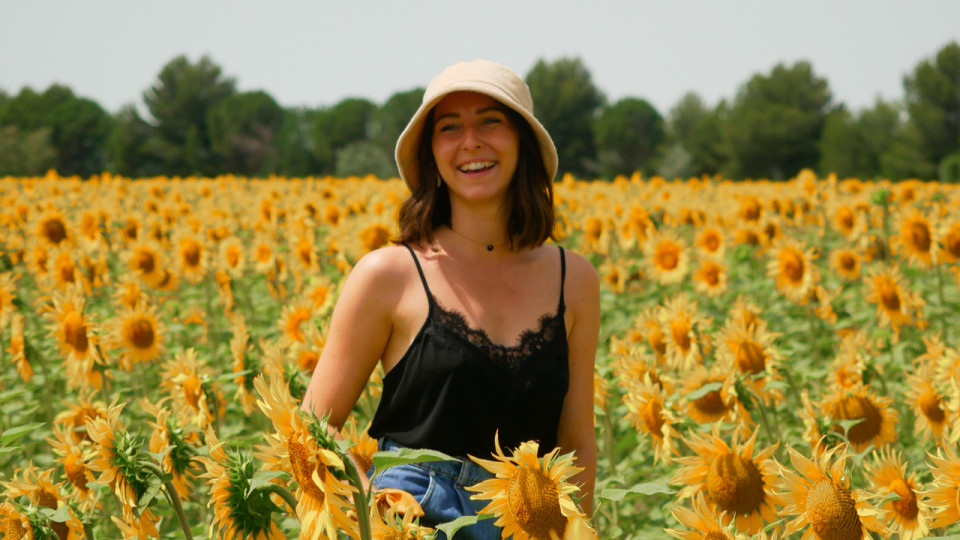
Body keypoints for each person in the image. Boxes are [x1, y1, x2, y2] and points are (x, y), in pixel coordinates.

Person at [301, 59, 600, 539]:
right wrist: (370, 511)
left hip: (529, 520)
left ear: (522, 141)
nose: (471, 141)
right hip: (412, 515)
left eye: (490, 121)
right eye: (449, 127)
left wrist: (576, 530)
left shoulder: (574, 279)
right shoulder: (390, 274)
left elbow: (577, 443)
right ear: (432, 153)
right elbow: (315, 426)